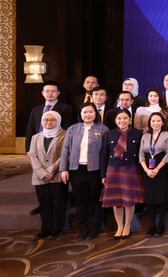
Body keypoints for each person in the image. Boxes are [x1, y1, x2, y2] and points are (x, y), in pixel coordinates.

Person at [60, 103, 108, 240]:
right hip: (77, 170)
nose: (87, 115)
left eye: (90, 112)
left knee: (96, 200)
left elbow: (106, 152)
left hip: (95, 170)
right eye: (84, 112)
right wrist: (63, 169)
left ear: (95, 113)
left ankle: (95, 228)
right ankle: (83, 229)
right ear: (80, 114)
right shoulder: (72, 129)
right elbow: (65, 150)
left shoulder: (103, 129)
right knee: (81, 201)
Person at [100, 109, 145, 240]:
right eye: (119, 118)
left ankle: (127, 225)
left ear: (130, 120)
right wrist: (103, 175)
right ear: (115, 120)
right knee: (116, 200)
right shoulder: (109, 134)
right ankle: (119, 226)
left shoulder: (138, 134)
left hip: (131, 168)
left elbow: (142, 153)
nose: (122, 121)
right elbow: (103, 155)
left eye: (125, 118)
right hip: (113, 169)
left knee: (129, 199)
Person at [28, 110, 67, 239]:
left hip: (57, 175)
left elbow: (65, 155)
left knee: (58, 203)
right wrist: (41, 172)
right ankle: (45, 229)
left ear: (58, 121)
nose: (49, 122)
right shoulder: (36, 137)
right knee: (44, 203)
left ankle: (57, 229)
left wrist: (50, 171)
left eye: (52, 120)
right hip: (39, 176)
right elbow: (32, 155)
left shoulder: (65, 135)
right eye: (46, 120)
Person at [139, 112, 168, 238]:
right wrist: (146, 170)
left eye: (158, 121)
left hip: (162, 169)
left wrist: (157, 169)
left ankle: (160, 226)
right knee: (150, 199)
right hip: (147, 169)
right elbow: (141, 154)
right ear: (149, 123)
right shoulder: (145, 135)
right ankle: (151, 226)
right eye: (153, 121)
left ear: (163, 122)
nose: (155, 123)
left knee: (162, 197)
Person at [26, 80, 75, 153]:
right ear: (42, 93)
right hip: (38, 144)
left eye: (53, 91)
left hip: (57, 145)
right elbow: (30, 129)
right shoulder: (36, 109)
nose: (50, 93)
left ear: (58, 93)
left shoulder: (66, 109)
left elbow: (66, 128)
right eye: (47, 91)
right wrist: (28, 148)